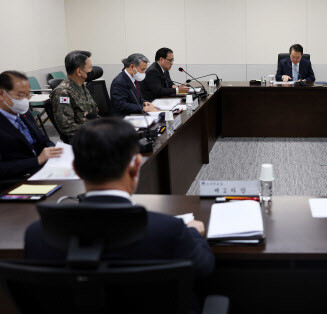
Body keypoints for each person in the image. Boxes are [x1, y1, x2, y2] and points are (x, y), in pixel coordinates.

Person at [25, 118, 215, 311]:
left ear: (76, 170)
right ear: (135, 167)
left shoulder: (37, 235)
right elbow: (204, 266)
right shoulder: (169, 230)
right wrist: (192, 232)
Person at [0, 71, 62, 181]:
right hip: (15, 181)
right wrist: (37, 160)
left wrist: (52, 149)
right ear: (2, 94)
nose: (25, 100)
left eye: (28, 94)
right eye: (20, 95)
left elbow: (42, 139)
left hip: (41, 171)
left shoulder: (23, 112)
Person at [50, 50, 99, 142]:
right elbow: (67, 127)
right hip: (81, 140)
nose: (91, 70)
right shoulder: (62, 93)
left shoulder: (81, 86)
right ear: (79, 71)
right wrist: (96, 130)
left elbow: (92, 113)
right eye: (89, 67)